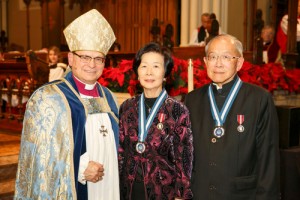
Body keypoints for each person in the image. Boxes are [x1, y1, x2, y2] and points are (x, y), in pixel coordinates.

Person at [14, 9, 120, 200]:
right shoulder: (49, 98)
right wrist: (79, 168)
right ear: (71, 58)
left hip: (110, 185)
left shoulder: (109, 97)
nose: (92, 64)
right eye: (85, 57)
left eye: (98, 59)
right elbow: (39, 158)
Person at [185, 34, 280, 199]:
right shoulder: (192, 100)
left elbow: (268, 160)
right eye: (213, 57)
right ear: (205, 62)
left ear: (240, 63)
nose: (218, 63)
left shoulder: (259, 99)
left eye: (226, 57)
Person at [118, 42, 193, 199]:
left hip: (164, 191)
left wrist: (181, 194)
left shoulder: (177, 111)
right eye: (144, 66)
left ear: (165, 74)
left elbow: (184, 157)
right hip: (129, 190)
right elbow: (120, 152)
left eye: (156, 66)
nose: (149, 72)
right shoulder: (127, 107)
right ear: (137, 72)